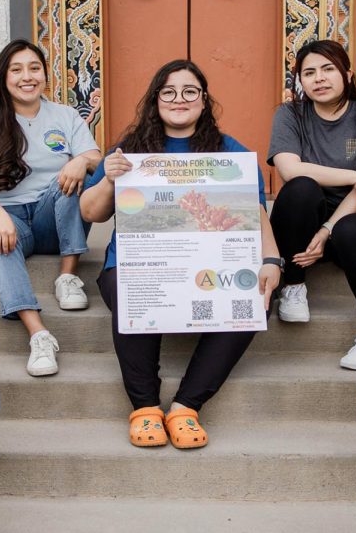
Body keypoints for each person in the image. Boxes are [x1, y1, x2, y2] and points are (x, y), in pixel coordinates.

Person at [80, 59, 282, 449]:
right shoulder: (131, 149)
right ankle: (145, 407)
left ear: (204, 101)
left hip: (208, 268)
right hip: (138, 266)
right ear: (156, 100)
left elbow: (254, 213)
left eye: (190, 91)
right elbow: (91, 212)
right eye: (169, 92)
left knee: (253, 295)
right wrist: (109, 176)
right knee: (131, 285)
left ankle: (186, 406)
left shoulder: (230, 153)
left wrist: (271, 261)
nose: (179, 99)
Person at [0, 40, 101, 376]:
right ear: (4, 77)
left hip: (50, 219)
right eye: (17, 69)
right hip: (5, 216)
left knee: (69, 179)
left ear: (44, 74)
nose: (27, 76)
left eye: (34, 68)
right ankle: (39, 334)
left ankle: (67, 277)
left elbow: (96, 159)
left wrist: (79, 161)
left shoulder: (65, 116)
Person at [267, 39, 356, 370]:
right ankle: (293, 285)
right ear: (300, 81)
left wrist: (327, 231)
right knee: (300, 188)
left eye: (328, 69)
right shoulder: (290, 114)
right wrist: (353, 176)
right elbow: (289, 169)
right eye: (309, 73)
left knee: (350, 230)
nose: (319, 79)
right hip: (302, 229)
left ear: (347, 74)